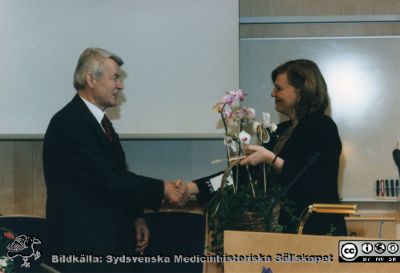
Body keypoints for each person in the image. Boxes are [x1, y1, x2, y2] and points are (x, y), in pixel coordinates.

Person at [42, 48, 189, 273]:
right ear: (91, 79)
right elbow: (108, 180)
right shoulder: (70, 123)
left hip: (102, 247)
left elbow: (118, 174)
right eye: (115, 78)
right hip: (83, 252)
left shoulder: (100, 123)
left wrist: (136, 216)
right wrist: (163, 189)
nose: (120, 86)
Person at [239, 59, 347, 236]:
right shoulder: (281, 131)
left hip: (315, 236)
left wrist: (273, 160)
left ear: (302, 91)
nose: (273, 94)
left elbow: (314, 183)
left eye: (279, 88)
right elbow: (244, 174)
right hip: (279, 237)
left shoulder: (323, 127)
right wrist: (192, 188)